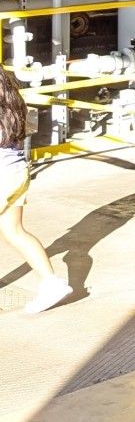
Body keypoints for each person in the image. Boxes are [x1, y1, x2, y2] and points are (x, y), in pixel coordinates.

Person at [0, 62, 69, 313]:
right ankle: (52, 283)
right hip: (17, 172)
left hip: (2, 175)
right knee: (15, 232)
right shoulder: (12, 99)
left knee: (15, 232)